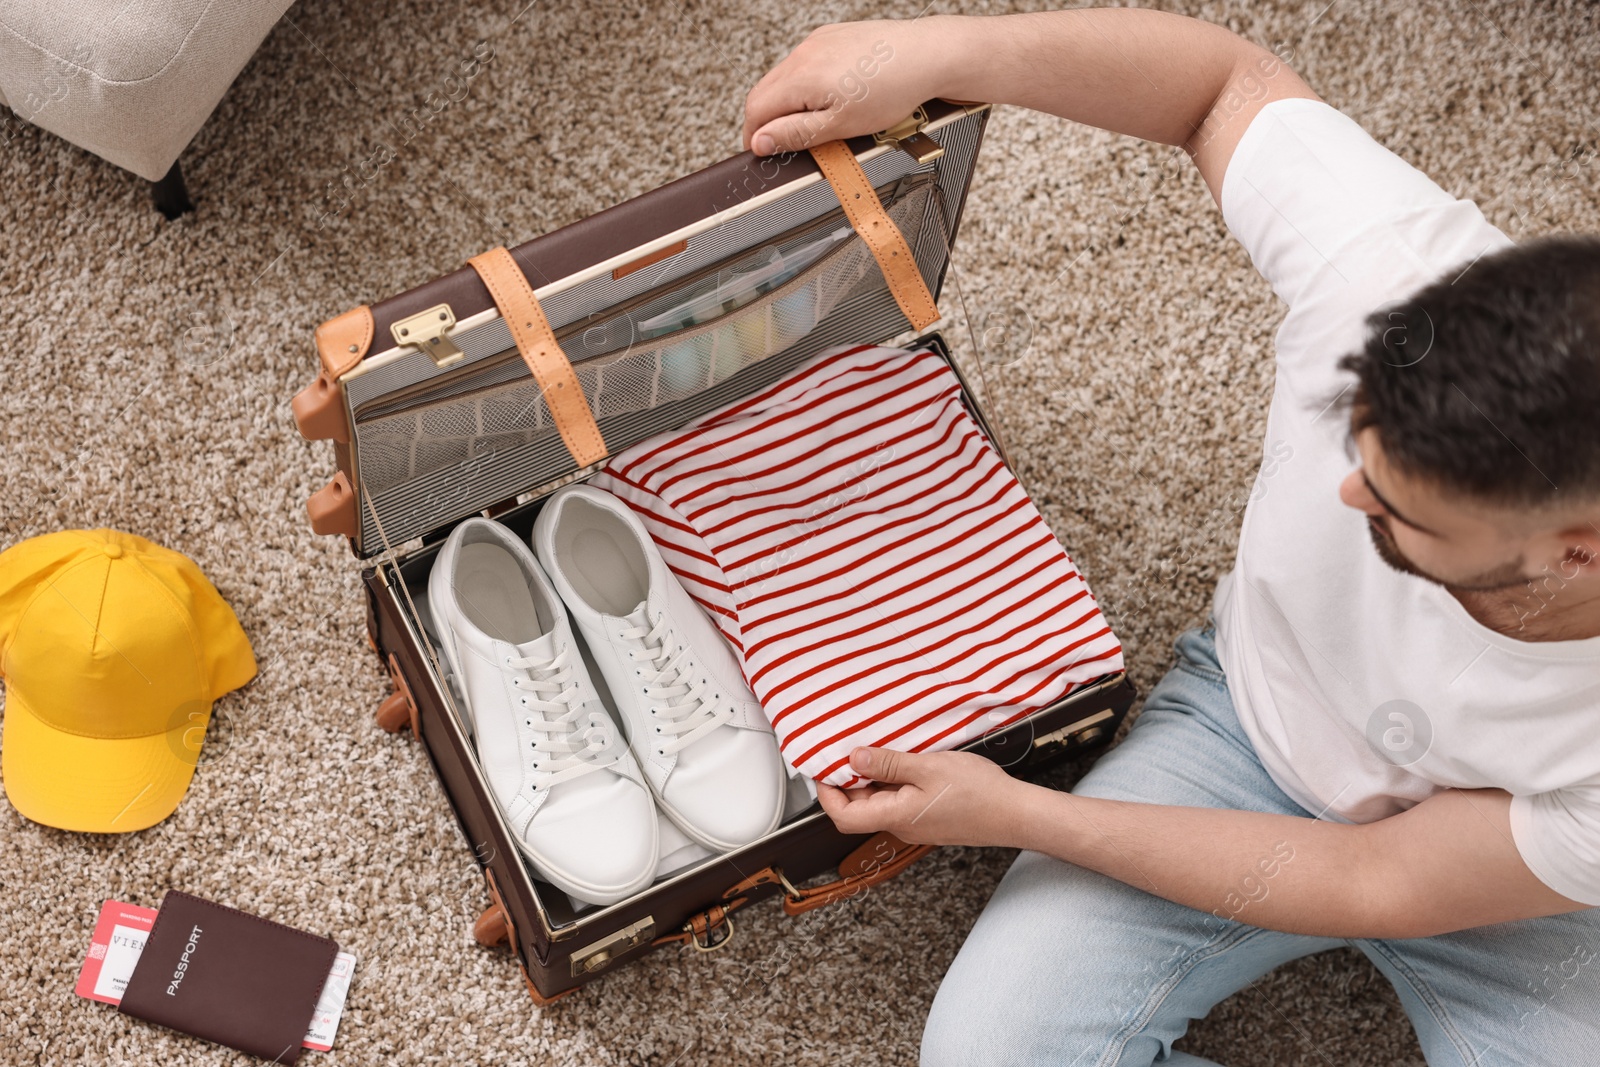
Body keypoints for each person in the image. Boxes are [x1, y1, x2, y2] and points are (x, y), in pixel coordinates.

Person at [743, 9, 1600, 1066]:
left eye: (1401, 510)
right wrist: (943, 53)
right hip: (1246, 725)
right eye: (1360, 442)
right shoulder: (1393, 280)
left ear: (1576, 552)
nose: (1344, 495)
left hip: (1513, 889)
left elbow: (1374, 879)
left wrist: (1023, 816)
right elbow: (1219, 88)